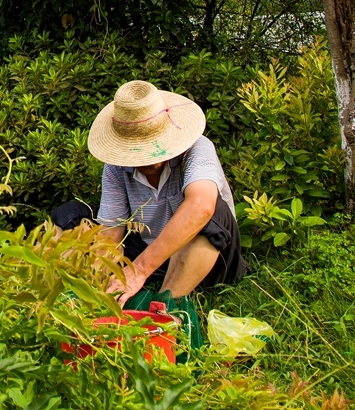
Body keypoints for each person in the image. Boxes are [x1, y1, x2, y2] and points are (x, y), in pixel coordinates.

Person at [51, 79, 246, 304]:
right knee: (72, 215)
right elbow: (112, 232)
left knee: (211, 212)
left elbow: (201, 205)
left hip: (208, 256)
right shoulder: (116, 166)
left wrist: (140, 270)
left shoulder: (197, 148)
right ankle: (56, 291)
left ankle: (166, 305)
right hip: (150, 248)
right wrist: (100, 279)